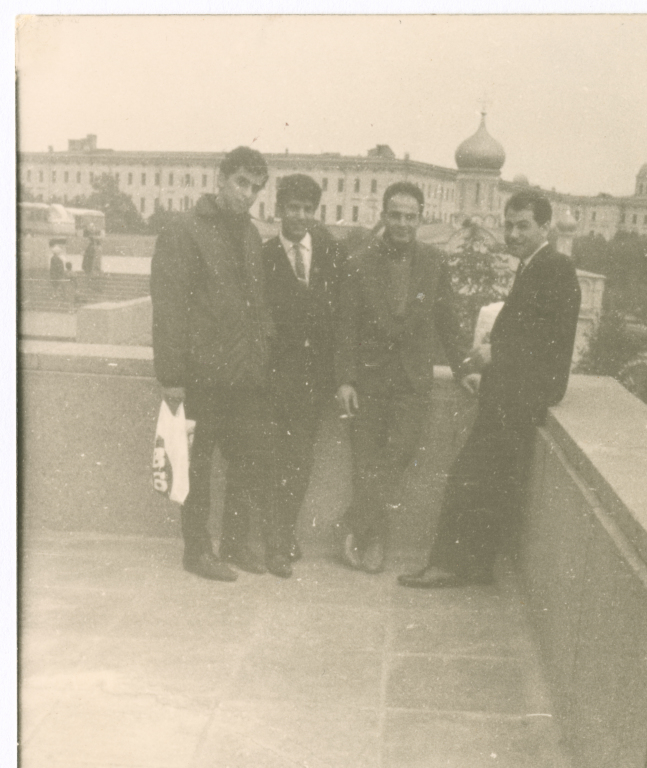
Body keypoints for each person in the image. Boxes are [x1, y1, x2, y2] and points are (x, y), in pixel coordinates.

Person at [399, 189, 582, 588]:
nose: (513, 234)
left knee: (469, 477)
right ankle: (476, 567)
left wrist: (493, 352)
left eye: (524, 226)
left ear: (545, 227)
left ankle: (449, 564)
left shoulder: (554, 268)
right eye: (509, 225)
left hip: (521, 397)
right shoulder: (534, 265)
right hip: (512, 392)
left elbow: (547, 340)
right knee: (489, 484)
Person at [151, 146, 288, 581]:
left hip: (245, 373)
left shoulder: (249, 234)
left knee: (247, 461)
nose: (247, 194)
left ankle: (233, 544)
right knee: (197, 464)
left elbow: (258, 303)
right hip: (201, 373)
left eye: (255, 187)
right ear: (220, 179)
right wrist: (171, 377)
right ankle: (198, 552)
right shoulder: (183, 230)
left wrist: (261, 351)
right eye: (240, 183)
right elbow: (169, 306)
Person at [335, 181, 472, 573]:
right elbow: (345, 328)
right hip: (367, 383)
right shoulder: (358, 263)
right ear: (383, 216)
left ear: (421, 218)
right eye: (395, 215)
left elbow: (448, 320)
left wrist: (464, 367)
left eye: (410, 217)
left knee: (400, 454)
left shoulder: (434, 261)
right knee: (366, 462)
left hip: (412, 382)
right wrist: (345, 379)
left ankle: (353, 525)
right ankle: (372, 541)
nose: (402, 224)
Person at [262, 174, 346, 571]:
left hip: (314, 384)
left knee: (298, 462)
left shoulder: (332, 255)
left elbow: (345, 318)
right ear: (279, 210)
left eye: (307, 209)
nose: (299, 216)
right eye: (292, 208)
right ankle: (276, 542)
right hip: (271, 383)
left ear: (316, 213)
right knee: (271, 461)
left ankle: (283, 534)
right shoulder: (262, 257)